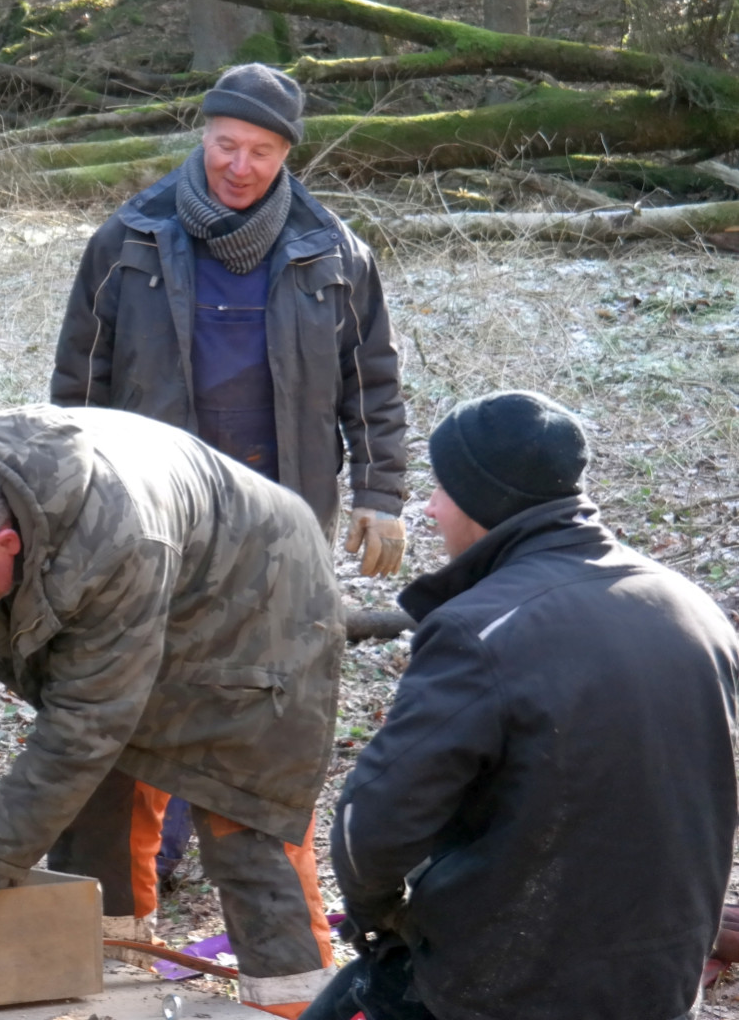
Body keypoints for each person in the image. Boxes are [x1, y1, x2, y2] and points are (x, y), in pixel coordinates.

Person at [46, 62, 409, 945]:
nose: (239, 167)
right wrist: (70, 506)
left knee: (267, 730)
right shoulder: (128, 239)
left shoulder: (334, 252)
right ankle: (115, 933)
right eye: (225, 145)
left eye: (260, 152)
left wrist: (382, 492)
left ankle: (289, 953)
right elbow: (77, 388)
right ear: (201, 136)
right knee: (127, 720)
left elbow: (373, 383)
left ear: (288, 155)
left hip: (280, 536)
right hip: (150, 528)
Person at [0, 405, 342, 1017]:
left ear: (6, 545)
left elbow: (85, 725)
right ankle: (116, 995)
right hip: (144, 590)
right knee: (91, 829)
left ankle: (295, 1007)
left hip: (259, 604)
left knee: (246, 833)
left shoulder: (115, 536)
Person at [311, 391, 739, 1020]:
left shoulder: (481, 629)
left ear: (485, 498)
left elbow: (373, 826)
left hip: (509, 987)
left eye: (443, 488)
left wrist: (378, 914)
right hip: (663, 979)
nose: (430, 507)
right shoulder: (694, 608)